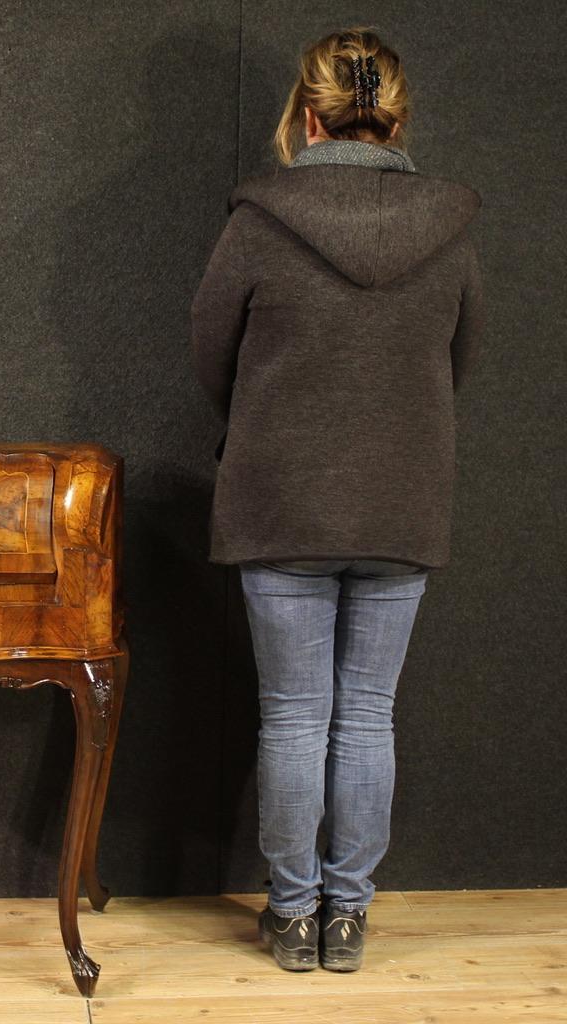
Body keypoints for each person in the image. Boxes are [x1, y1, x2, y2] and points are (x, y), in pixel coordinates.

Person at [189, 27, 485, 973]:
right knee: (365, 716)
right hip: (403, 496)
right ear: (395, 115)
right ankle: (347, 917)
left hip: (281, 496)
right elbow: (460, 361)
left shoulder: (259, 222)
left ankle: (292, 915)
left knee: (292, 716)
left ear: (307, 115)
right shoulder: (451, 228)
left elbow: (212, 358)